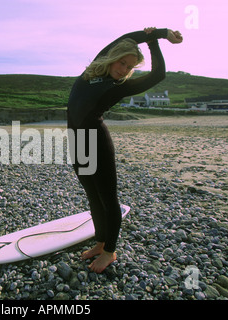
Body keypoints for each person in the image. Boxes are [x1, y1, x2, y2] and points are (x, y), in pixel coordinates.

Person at [67, 27, 183, 273]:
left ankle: (110, 251)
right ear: (113, 57)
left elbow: (158, 75)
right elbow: (124, 39)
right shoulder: (93, 69)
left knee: (108, 199)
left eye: (129, 67)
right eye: (122, 62)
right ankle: (100, 243)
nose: (123, 69)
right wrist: (158, 32)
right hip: (77, 142)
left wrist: (154, 44)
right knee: (92, 196)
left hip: (97, 142)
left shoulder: (118, 87)